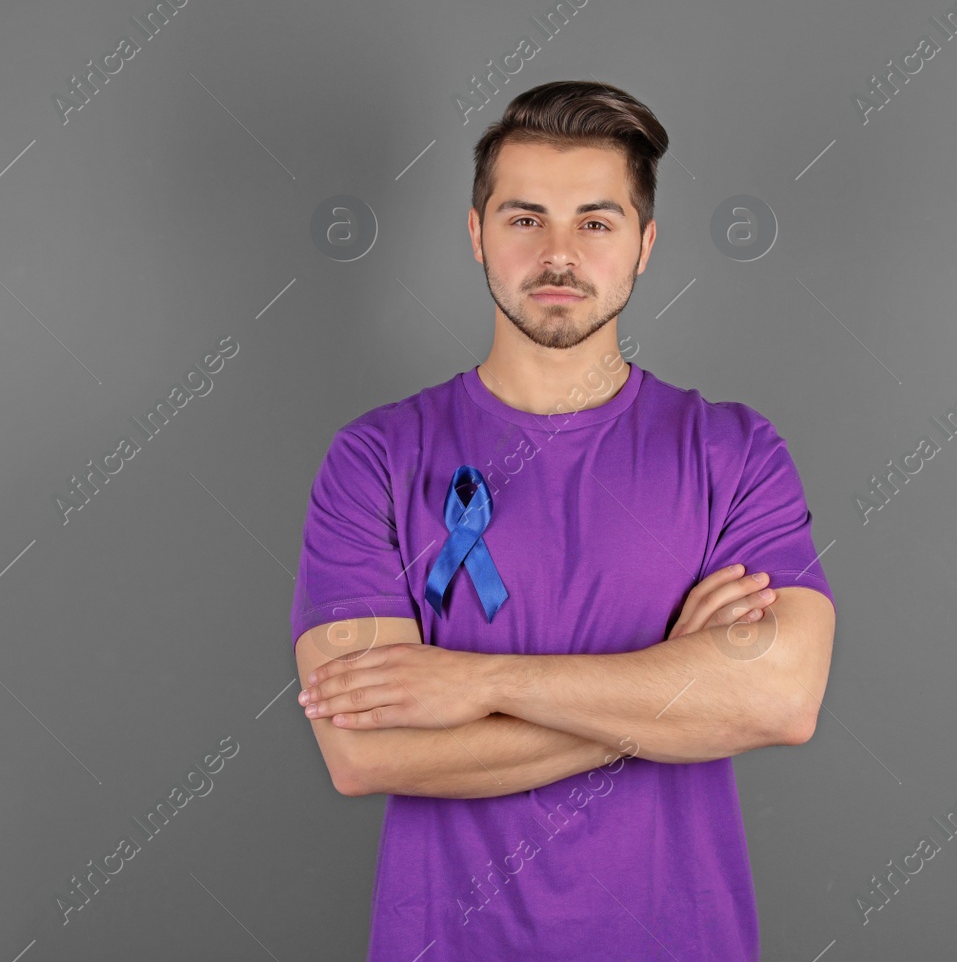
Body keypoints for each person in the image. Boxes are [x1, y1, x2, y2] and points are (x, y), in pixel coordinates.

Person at [290, 79, 836, 960]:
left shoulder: (732, 451)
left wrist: (482, 684)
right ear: (476, 235)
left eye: (595, 221)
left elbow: (780, 698)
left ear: (644, 244)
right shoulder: (374, 459)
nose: (558, 254)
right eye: (523, 218)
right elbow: (365, 753)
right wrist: (671, 690)